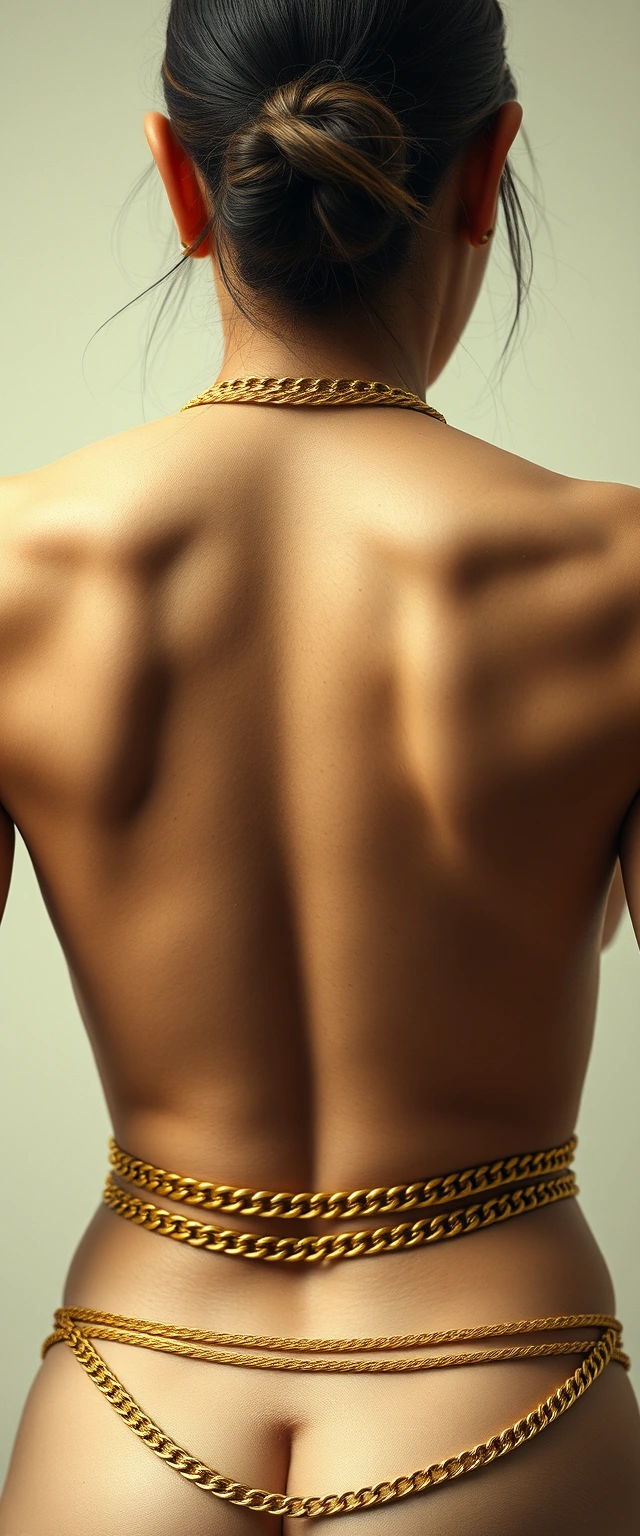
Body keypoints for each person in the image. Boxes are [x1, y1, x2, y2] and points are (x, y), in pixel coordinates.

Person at [0, 2, 639, 1532]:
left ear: (180, 177)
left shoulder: (15, 567)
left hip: (131, 1399)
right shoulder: (617, 573)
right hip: (501, 1388)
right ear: (490, 171)